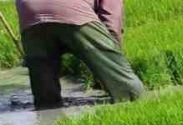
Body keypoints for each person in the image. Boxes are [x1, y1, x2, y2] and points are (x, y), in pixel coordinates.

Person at [15, 0, 143, 109]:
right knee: (130, 92)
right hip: (72, 12)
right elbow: (112, 22)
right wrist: (113, 60)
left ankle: (48, 120)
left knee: (46, 100)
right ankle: (138, 103)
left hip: (30, 18)